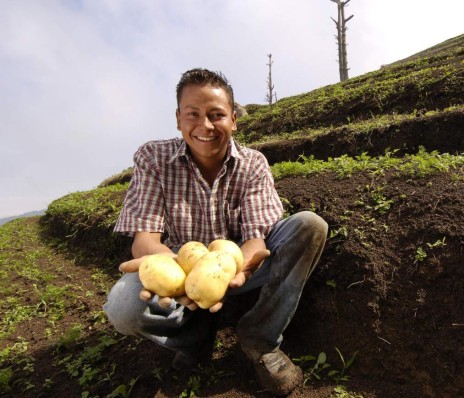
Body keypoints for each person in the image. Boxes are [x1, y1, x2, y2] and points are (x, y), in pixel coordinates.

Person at [103, 68, 328, 396]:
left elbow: (255, 240)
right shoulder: (153, 158)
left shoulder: (253, 164)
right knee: (123, 307)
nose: (205, 126)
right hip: (180, 272)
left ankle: (259, 336)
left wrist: (233, 268)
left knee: (310, 226)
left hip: (240, 268)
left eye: (216, 115)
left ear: (234, 120)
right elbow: (145, 241)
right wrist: (184, 273)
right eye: (193, 114)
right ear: (178, 119)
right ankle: (195, 337)